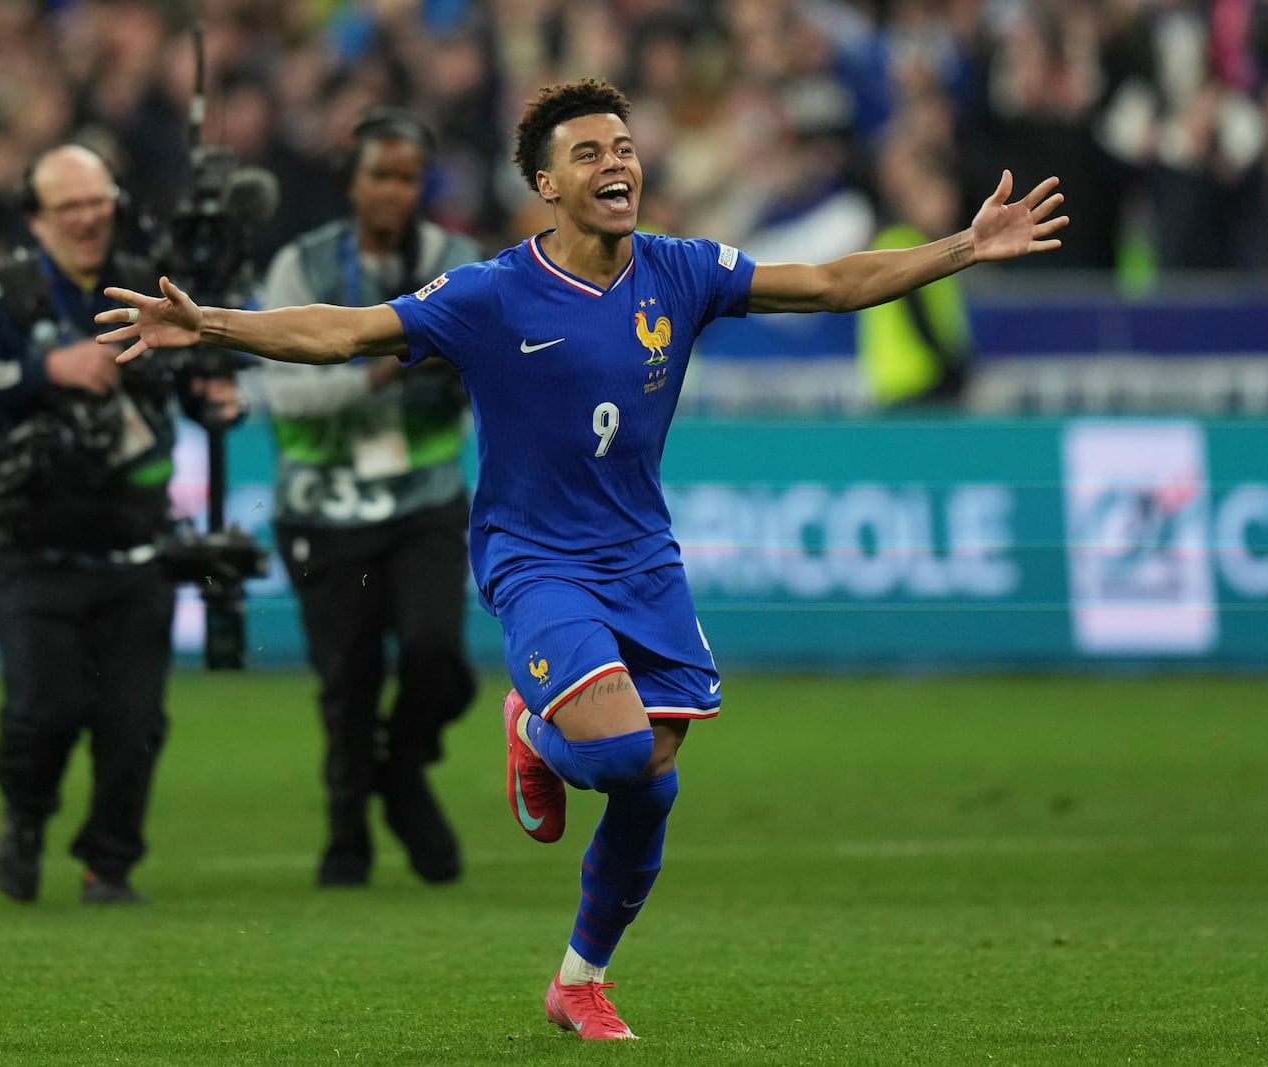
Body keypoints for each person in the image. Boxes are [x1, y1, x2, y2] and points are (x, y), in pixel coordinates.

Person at [97, 79, 1065, 1035]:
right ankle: (533, 726)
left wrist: (965, 247)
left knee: (652, 778)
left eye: (624, 146)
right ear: (544, 186)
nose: (618, 164)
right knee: (608, 751)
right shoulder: (489, 292)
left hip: (641, 555)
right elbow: (346, 331)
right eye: (589, 154)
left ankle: (579, 979)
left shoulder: (681, 269)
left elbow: (827, 285)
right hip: (534, 555)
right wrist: (211, 323)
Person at [0, 143, 242, 905]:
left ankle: (110, 862)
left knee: (134, 719)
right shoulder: (10, 291)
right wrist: (47, 370)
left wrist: (214, 401)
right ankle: (26, 820)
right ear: (36, 218)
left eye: (97, 201)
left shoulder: (147, 284)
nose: (86, 217)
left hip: (137, 543)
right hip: (33, 545)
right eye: (68, 206)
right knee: (45, 708)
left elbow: (190, 381)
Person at [258, 107, 482, 888]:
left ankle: (403, 768)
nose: (393, 191)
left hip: (425, 495)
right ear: (351, 181)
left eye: (407, 177)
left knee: (435, 653)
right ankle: (346, 837)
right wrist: (387, 365)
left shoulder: (458, 260)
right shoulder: (302, 267)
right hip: (324, 506)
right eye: (379, 175)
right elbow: (284, 398)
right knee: (346, 678)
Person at [859, 157, 974, 409]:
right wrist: (950, 365)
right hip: (915, 381)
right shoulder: (901, 244)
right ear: (912, 200)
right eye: (936, 199)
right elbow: (917, 311)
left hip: (916, 380)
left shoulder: (933, 247)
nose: (946, 208)